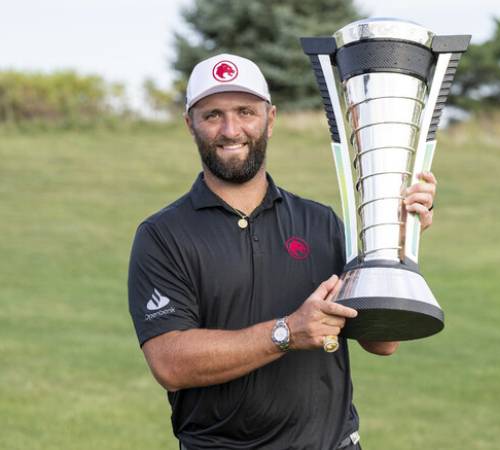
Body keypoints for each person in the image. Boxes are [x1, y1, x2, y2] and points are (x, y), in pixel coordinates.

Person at [128, 53, 437, 450]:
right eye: (212, 115)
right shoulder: (164, 235)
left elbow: (383, 342)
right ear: (190, 124)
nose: (230, 129)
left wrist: (398, 239)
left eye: (245, 112)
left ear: (270, 119)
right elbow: (170, 363)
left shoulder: (321, 222)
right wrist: (288, 332)